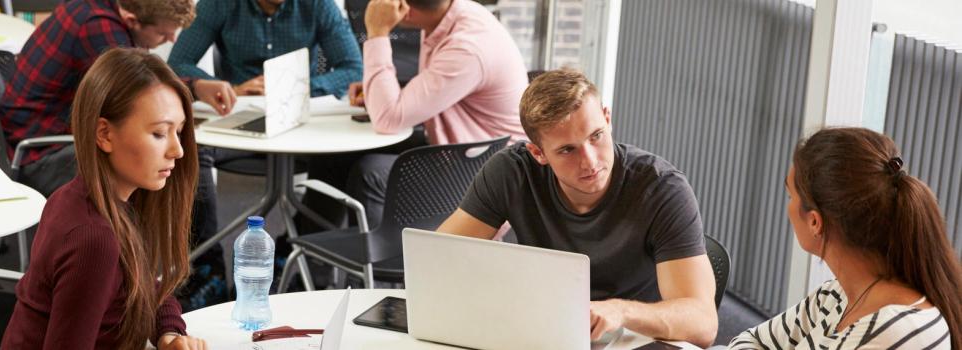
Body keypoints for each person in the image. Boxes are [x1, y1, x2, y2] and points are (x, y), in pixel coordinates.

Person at [435, 69, 717, 347]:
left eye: (596, 136)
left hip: (631, 339)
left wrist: (620, 311)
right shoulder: (512, 172)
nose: (590, 161)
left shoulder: (661, 188)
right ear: (538, 153)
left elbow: (703, 323)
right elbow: (439, 261)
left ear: (607, 119)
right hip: (541, 331)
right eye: (568, 150)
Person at [0, 0, 226, 310]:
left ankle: (168, 281)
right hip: (40, 150)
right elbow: (137, 87)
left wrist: (195, 87)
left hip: (50, 134)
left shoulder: (94, 7)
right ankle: (201, 273)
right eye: (163, 34)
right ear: (132, 19)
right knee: (174, 164)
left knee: (170, 158)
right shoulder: (97, 27)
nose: (170, 40)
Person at [1, 48, 207, 350]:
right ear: (105, 134)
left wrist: (169, 333)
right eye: (160, 133)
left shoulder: (88, 197)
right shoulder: (93, 238)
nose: (178, 150)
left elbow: (145, 284)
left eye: (179, 131)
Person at [729, 127, 962, 349]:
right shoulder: (835, 295)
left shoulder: (895, 332)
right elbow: (750, 341)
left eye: (791, 196)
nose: (788, 207)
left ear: (814, 222)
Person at [306, 0, 527, 229]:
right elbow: (435, 89)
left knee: (370, 172)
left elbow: (387, 119)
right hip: (461, 148)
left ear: (404, 9)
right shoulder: (451, 15)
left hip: (484, 172)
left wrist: (377, 32)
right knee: (335, 157)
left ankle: (379, 263)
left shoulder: (467, 47)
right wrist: (381, 94)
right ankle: (307, 256)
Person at [166, 0, 362, 99]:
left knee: (337, 160)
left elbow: (354, 70)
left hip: (300, 111)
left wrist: (299, 87)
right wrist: (228, 90)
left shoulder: (319, 4)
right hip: (237, 109)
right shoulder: (219, 3)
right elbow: (177, 64)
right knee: (196, 149)